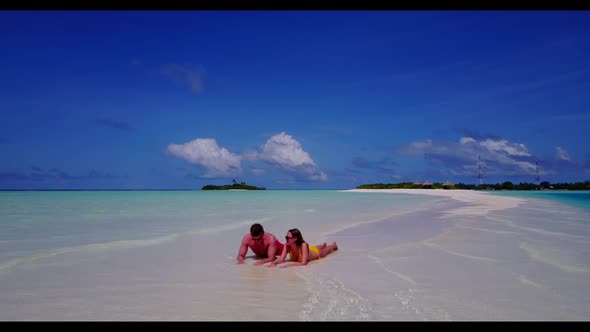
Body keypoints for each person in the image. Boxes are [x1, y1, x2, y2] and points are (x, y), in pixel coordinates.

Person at [268, 228, 338, 268]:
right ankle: (321, 245)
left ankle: (333, 245)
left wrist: (289, 265)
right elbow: (281, 260)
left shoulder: (303, 245)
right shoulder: (287, 245)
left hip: (317, 253)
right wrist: (274, 263)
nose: (286, 239)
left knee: (327, 250)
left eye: (288, 238)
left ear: (295, 238)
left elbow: (303, 263)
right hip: (309, 250)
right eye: (286, 237)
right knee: (312, 248)